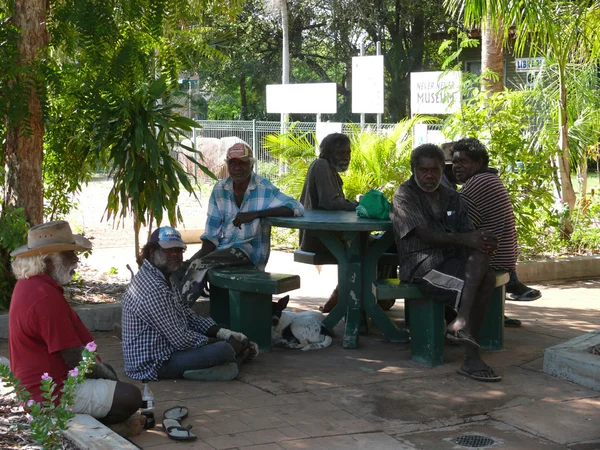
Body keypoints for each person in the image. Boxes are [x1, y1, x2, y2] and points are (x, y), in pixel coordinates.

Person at [9, 221, 143, 433]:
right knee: (131, 396)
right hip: (49, 392)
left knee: (112, 380)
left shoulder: (31, 285)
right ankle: (103, 428)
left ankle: (99, 420)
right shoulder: (43, 295)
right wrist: (107, 376)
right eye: (69, 254)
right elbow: (73, 356)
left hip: (43, 386)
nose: (76, 260)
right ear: (49, 261)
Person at [391, 144, 502, 382]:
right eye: (424, 170)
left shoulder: (450, 195)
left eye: (435, 170)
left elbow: (467, 231)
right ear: (414, 170)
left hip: (450, 261)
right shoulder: (405, 194)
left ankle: (460, 322)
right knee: (481, 282)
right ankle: (470, 355)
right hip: (422, 266)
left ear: (443, 169)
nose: (429, 175)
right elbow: (425, 235)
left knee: (485, 266)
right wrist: (468, 239)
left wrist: (481, 239)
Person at [174, 142, 304, 306]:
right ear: (227, 165)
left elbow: (297, 207)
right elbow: (211, 236)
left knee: (200, 266)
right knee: (179, 268)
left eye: (242, 163)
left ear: (251, 165)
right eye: (232, 163)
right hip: (224, 251)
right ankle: (169, 312)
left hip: (250, 252)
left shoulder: (263, 188)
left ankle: (178, 313)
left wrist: (257, 214)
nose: (237, 168)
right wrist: (190, 262)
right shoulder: (220, 189)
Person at [122, 226, 259, 382]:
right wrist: (225, 342)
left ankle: (224, 363)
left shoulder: (164, 276)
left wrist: (223, 333)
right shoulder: (151, 287)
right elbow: (180, 339)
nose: (174, 255)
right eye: (168, 251)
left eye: (178, 251)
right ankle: (229, 361)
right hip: (154, 363)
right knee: (223, 349)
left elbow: (187, 315)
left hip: (167, 349)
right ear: (152, 252)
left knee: (222, 329)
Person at [451, 138, 542, 326]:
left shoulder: (477, 184)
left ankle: (459, 320)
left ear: (479, 163)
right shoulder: (489, 178)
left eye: (463, 162)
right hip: (504, 256)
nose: (457, 167)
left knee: (435, 263)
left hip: (493, 259)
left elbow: (458, 226)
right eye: (454, 162)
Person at [299, 133, 357, 312]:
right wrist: (357, 205)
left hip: (324, 234)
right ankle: (345, 300)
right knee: (364, 250)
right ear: (327, 152)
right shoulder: (322, 165)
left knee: (375, 247)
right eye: (340, 153)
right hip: (318, 237)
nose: (346, 156)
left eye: (348, 152)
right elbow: (330, 202)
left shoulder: (326, 167)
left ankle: (354, 299)